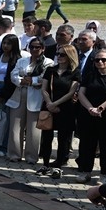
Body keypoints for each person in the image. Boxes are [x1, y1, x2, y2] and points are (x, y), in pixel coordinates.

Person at [76, 48, 106, 184]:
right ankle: (85, 171)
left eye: (103, 59)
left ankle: (105, 174)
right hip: (88, 114)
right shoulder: (90, 75)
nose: (100, 62)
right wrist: (90, 108)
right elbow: (81, 93)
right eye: (97, 60)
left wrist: (101, 107)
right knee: (86, 144)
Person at [7, 37, 52, 164]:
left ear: (43, 49)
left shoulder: (48, 62)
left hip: (36, 97)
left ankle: (31, 157)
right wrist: (21, 80)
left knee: (34, 129)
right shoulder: (22, 60)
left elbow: (45, 78)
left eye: (37, 47)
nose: (34, 49)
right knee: (15, 127)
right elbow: (14, 74)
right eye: (32, 47)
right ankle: (14, 154)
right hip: (20, 94)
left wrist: (32, 81)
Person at [37, 44, 79, 176]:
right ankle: (45, 164)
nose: (59, 57)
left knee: (63, 139)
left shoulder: (75, 72)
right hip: (49, 108)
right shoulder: (51, 70)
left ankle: (59, 166)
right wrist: (50, 103)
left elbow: (71, 91)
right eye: (58, 54)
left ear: (69, 56)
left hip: (65, 108)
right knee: (46, 137)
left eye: (62, 55)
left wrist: (56, 103)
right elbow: (44, 89)